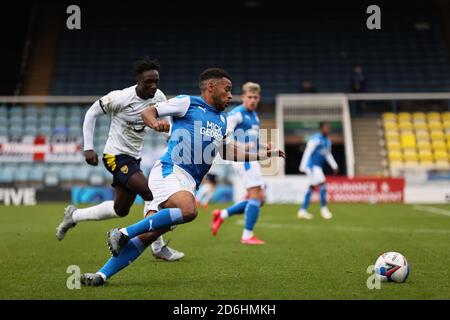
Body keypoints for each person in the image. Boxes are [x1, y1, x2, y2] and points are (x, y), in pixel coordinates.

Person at [80, 68, 285, 286]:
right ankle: (122, 232)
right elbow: (148, 112)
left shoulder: (222, 121)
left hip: (188, 182)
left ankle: (101, 275)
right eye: (227, 90)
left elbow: (228, 151)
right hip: (170, 170)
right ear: (210, 87)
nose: (230, 96)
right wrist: (155, 123)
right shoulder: (187, 103)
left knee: (148, 236)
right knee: (189, 210)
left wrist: (263, 154)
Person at [55, 57, 184, 261]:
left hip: (134, 158)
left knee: (120, 209)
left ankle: (74, 216)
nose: (153, 86)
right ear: (138, 81)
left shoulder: (158, 96)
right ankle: (157, 247)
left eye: (156, 81)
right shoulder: (120, 98)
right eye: (148, 82)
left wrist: (168, 133)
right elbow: (91, 114)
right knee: (152, 193)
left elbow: (167, 116)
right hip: (115, 156)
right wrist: (88, 147)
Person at [211, 82, 267, 244]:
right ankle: (247, 235)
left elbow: (252, 139)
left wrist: (264, 146)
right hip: (243, 159)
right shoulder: (237, 114)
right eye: (250, 97)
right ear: (243, 97)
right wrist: (242, 146)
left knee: (259, 198)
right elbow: (224, 135)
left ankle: (221, 215)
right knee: (255, 195)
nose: (253, 100)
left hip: (252, 158)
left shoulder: (254, 116)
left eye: (256, 97)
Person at [298, 121, 338, 220]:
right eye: (326, 127)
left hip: (317, 167)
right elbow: (308, 151)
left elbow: (328, 154)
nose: (328, 129)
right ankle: (324, 209)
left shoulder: (328, 141)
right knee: (323, 183)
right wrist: (302, 166)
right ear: (321, 128)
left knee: (312, 187)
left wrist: (334, 165)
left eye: (329, 128)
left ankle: (302, 211)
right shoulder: (315, 139)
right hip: (311, 166)